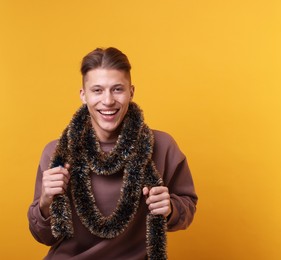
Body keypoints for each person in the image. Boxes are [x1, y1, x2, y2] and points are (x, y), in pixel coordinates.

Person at [27, 47, 198, 260]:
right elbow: (43, 236)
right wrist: (45, 201)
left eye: (117, 89)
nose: (108, 101)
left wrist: (171, 208)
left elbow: (187, 207)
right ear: (83, 95)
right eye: (97, 90)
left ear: (131, 92)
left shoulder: (163, 146)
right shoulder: (56, 154)